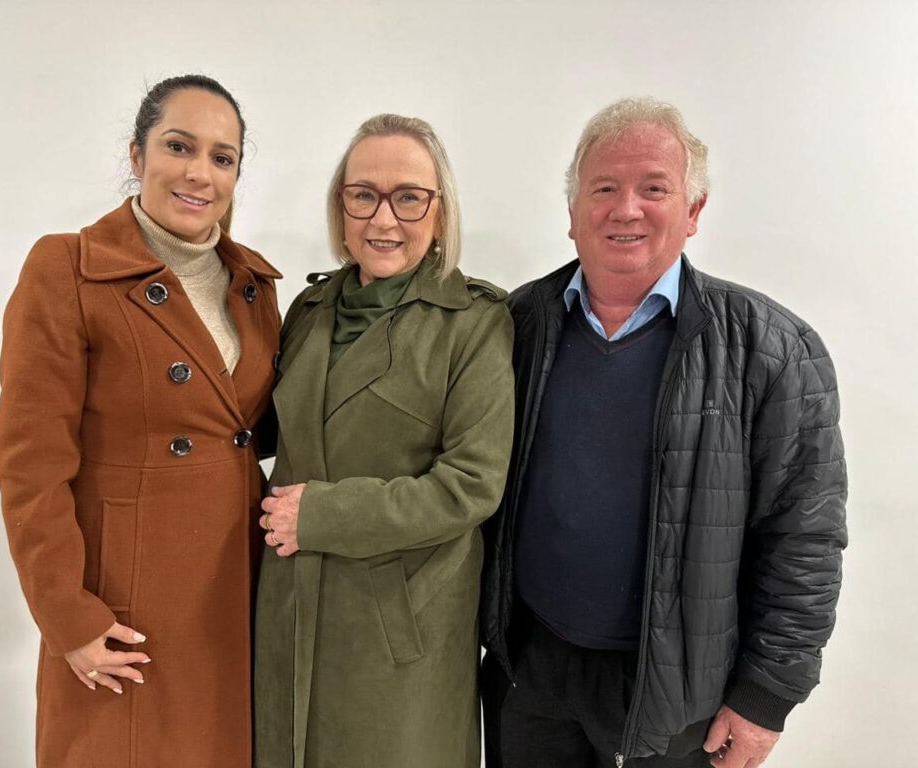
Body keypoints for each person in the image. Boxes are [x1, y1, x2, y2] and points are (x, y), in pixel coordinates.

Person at [481, 97, 847, 768]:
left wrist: (766, 695)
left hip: (679, 702)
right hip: (530, 675)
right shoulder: (515, 326)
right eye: (603, 189)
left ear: (693, 211)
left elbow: (805, 537)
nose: (626, 210)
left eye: (654, 188)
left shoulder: (772, 351)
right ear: (572, 213)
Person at [0, 74, 281, 767]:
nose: (199, 173)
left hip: (234, 589)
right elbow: (31, 466)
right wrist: (68, 616)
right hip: (124, 608)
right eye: (179, 146)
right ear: (136, 153)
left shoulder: (254, 285)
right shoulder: (68, 268)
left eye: (222, 157)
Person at [253, 114, 514, 768]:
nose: (383, 218)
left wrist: (323, 515)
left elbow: (470, 486)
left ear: (440, 213)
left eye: (409, 197)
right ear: (340, 208)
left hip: (399, 628)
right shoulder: (308, 311)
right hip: (289, 604)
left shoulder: (475, 322)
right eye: (363, 195)